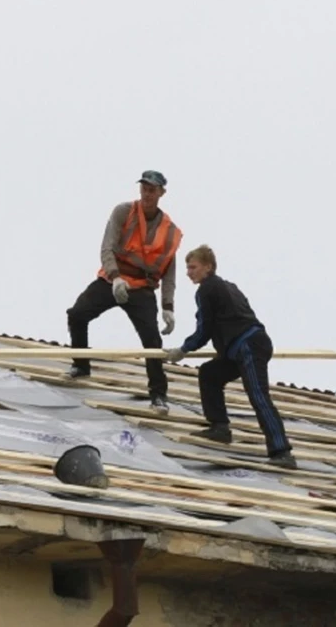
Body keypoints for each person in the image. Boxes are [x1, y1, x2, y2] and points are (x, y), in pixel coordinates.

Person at [164, 245, 296, 469]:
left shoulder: (207, 289)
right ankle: (220, 427)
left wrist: (183, 349)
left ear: (208, 267)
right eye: (187, 267)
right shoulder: (227, 287)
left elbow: (204, 329)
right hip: (241, 348)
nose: (189, 272)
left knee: (258, 395)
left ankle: (282, 451)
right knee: (210, 373)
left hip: (248, 346)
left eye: (193, 267)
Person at [65, 170, 182, 414]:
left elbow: (169, 270)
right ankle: (81, 365)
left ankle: (159, 395)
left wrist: (168, 307)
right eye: (144, 188)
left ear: (161, 193)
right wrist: (116, 278)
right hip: (113, 278)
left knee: (152, 340)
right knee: (77, 314)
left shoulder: (169, 231)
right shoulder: (123, 212)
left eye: (152, 190)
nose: (147, 194)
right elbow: (107, 247)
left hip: (142, 287)